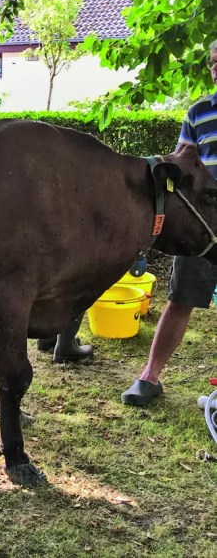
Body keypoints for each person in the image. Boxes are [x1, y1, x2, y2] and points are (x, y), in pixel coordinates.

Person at [121, 40, 217, 406]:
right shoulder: (199, 112)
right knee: (180, 299)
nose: (216, 68)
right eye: (213, 62)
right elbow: (183, 162)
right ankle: (149, 378)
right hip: (203, 225)